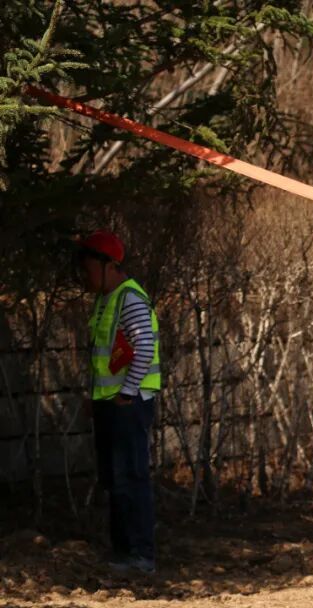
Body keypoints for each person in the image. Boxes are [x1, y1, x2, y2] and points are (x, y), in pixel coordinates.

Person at [76, 230, 161, 574]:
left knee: (130, 478)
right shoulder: (106, 300)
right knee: (114, 479)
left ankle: (140, 554)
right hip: (111, 402)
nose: (86, 276)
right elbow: (105, 356)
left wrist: (126, 392)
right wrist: (96, 396)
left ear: (109, 265)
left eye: (89, 268)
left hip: (127, 404)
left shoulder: (129, 299)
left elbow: (143, 347)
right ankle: (124, 553)